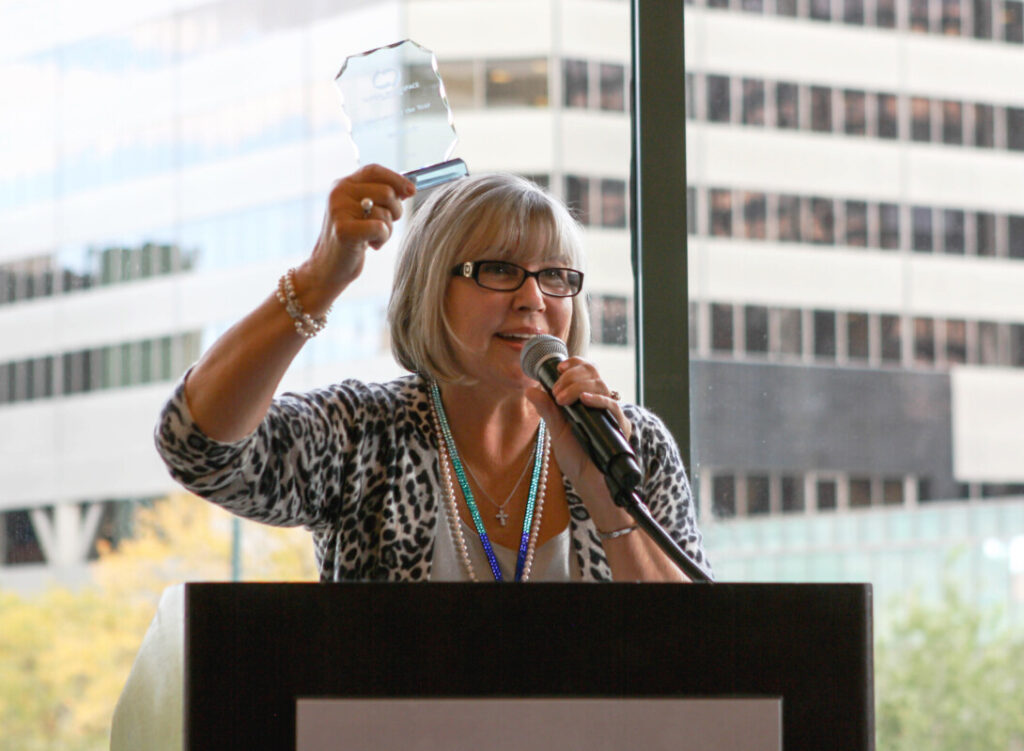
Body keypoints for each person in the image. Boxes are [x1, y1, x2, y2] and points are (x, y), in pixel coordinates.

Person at [154, 164, 710, 582]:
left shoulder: (626, 444)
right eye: (498, 269)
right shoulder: (365, 433)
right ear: (430, 288)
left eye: (556, 276)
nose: (532, 298)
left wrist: (609, 500)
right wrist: (318, 280)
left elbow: (698, 658)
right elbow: (197, 446)